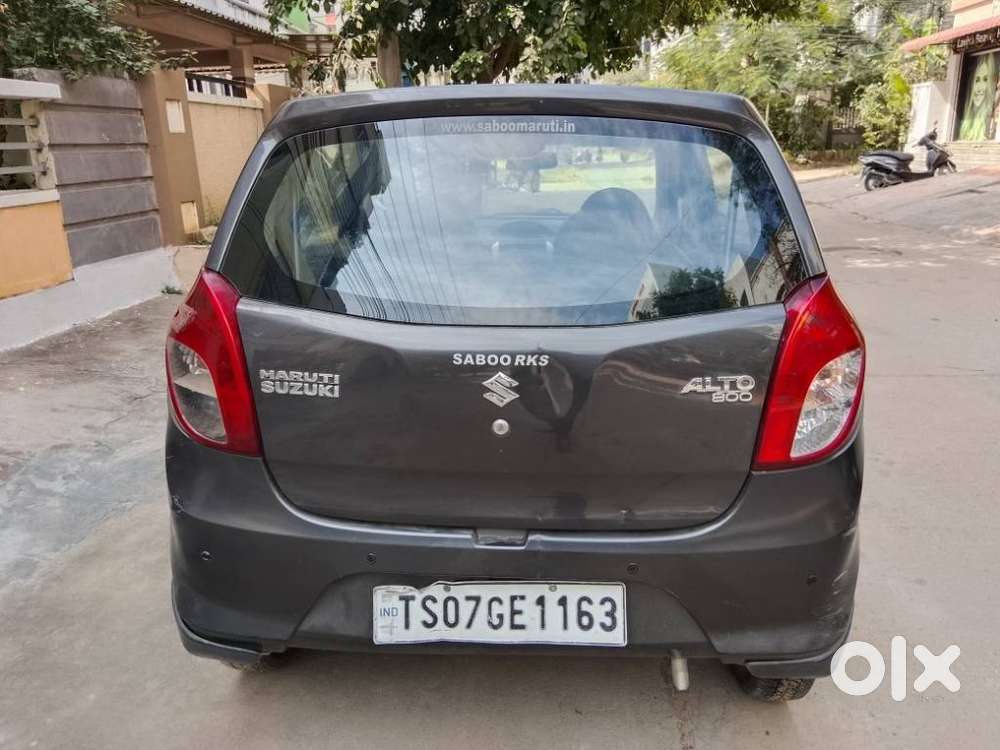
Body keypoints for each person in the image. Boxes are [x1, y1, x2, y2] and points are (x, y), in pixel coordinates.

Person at [958, 53, 998, 141]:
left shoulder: (991, 112)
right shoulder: (966, 119)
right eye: (977, 80)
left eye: (985, 79)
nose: (980, 88)